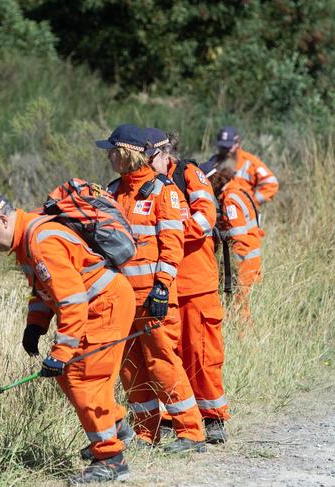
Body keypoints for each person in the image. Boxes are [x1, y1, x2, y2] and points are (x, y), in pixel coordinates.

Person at [0, 193, 136, 482]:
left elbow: (72, 302)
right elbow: (44, 290)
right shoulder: (27, 241)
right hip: (97, 306)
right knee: (70, 375)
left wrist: (60, 352)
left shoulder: (41, 241)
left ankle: (110, 459)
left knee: (85, 378)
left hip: (104, 306)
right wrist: (35, 325)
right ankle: (116, 426)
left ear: (3, 220)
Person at [97, 124, 206, 453]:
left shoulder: (164, 191)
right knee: (131, 367)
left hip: (155, 297)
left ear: (127, 152)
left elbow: (172, 245)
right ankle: (146, 433)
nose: (109, 157)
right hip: (122, 298)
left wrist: (161, 287)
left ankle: (191, 431)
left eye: (113, 151)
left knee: (162, 362)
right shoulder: (113, 191)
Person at [144, 127, 230, 444]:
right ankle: (173, 417)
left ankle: (212, 418)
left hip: (196, 284)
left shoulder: (189, 174)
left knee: (202, 354)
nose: (144, 162)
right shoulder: (143, 184)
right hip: (163, 285)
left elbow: (206, 218)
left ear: (166, 154)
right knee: (168, 354)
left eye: (149, 157)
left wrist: (169, 234)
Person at [209, 159, 264, 330]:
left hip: (243, 260)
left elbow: (237, 234)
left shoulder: (229, 200)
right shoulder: (238, 190)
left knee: (241, 307)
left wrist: (217, 231)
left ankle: (245, 341)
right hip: (250, 257)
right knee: (245, 305)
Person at [200, 126, 278, 206]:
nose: (225, 151)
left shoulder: (250, 162)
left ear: (237, 144)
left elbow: (271, 184)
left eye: (229, 147)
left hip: (245, 213)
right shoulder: (214, 161)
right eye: (223, 147)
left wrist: (252, 202)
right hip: (222, 212)